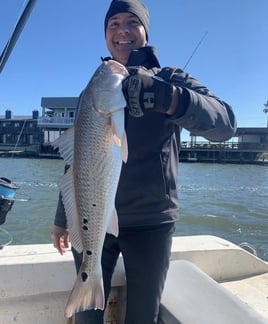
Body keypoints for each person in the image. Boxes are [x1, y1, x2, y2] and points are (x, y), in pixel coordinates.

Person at [51, 0, 237, 323]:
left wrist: (170, 99)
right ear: (106, 34)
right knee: (86, 318)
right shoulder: (95, 89)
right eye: (113, 24)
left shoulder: (170, 78)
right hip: (95, 224)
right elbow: (78, 159)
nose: (122, 31)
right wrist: (61, 216)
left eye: (131, 22)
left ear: (145, 31)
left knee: (142, 318)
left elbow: (226, 124)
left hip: (152, 224)